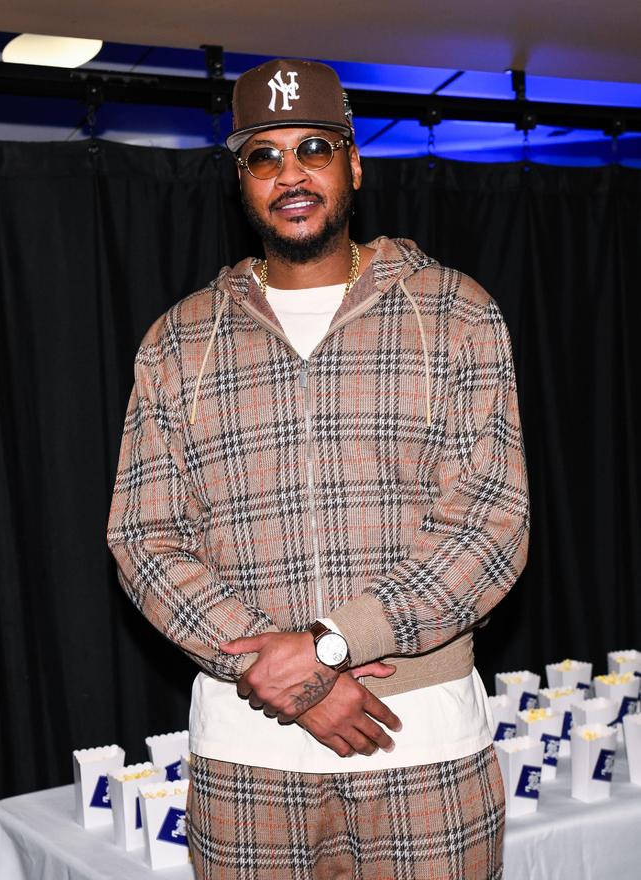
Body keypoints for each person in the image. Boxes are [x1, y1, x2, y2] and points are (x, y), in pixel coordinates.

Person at [107, 58, 529, 880]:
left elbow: (492, 525)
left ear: (354, 164)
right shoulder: (179, 340)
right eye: (263, 156)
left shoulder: (456, 312)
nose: (290, 173)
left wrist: (333, 644)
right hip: (245, 759)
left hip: (423, 746)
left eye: (314, 148)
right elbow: (145, 538)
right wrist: (275, 673)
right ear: (241, 181)